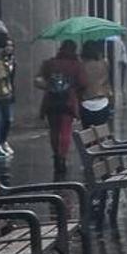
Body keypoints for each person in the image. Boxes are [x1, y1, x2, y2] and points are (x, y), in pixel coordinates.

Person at [36, 40, 86, 175]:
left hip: (51, 101)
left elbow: (39, 79)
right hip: (68, 101)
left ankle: (56, 154)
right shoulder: (76, 65)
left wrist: (49, 86)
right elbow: (82, 83)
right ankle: (62, 156)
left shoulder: (50, 63)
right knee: (66, 130)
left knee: (54, 130)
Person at [80, 40, 113, 129]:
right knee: (102, 132)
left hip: (86, 102)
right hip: (103, 101)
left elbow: (80, 84)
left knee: (87, 132)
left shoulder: (81, 65)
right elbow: (108, 80)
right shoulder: (105, 63)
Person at [0, 37, 16, 155]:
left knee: (8, 119)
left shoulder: (13, 60)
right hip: (0, 92)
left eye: (11, 45)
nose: (9, 47)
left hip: (9, 92)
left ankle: (4, 140)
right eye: (7, 45)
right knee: (1, 119)